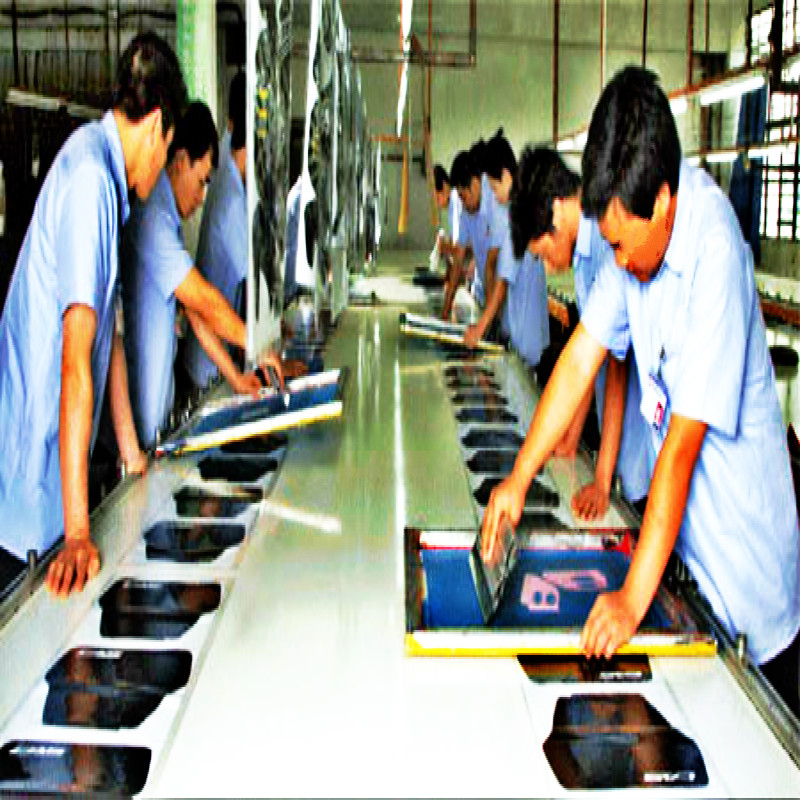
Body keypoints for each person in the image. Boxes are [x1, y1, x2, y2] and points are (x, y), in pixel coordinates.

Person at [482, 65, 800, 716]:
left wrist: (630, 599)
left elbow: (681, 448)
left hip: (748, 586)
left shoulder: (713, 251)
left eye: (624, 245)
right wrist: (519, 476)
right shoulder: (633, 250)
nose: (619, 262)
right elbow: (580, 358)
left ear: (663, 200)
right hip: (687, 571)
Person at [0, 32, 187, 597]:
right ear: (156, 126)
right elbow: (77, 360)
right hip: (27, 501)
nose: (162, 165)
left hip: (54, 488)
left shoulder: (105, 176)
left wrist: (132, 454)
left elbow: (111, 334)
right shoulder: (89, 181)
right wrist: (79, 532)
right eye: (167, 147)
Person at [121, 100, 281, 451]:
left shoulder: (167, 216)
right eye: (201, 181)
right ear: (180, 161)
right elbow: (202, 299)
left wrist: (236, 377)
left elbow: (195, 313)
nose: (201, 197)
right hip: (136, 429)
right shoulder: (153, 217)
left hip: (157, 418)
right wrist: (255, 342)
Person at [509, 146, 653, 519]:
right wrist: (571, 439)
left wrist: (602, 479)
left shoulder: (607, 244)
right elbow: (587, 358)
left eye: (543, 254)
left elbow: (616, 367)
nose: (547, 266)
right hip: (617, 442)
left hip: (640, 448)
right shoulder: (583, 252)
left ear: (556, 211)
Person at [181, 80, 251, 394]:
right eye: (200, 183)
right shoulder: (231, 198)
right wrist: (260, 347)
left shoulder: (222, 157)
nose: (200, 198)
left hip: (214, 355)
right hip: (208, 369)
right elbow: (206, 304)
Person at [464, 130, 549, 373]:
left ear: (506, 175)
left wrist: (481, 328)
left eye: (493, 188)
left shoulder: (518, 219)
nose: (494, 196)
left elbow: (501, 284)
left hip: (526, 346)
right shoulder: (522, 211)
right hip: (528, 337)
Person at [441, 148, 503, 323]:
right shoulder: (467, 213)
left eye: (463, 196)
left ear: (476, 183)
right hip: (488, 298)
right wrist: (446, 310)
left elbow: (496, 266)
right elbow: (458, 261)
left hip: (508, 300)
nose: (462, 203)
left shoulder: (496, 204)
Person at [431, 163, 461, 265]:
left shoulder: (456, 200)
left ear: (444, 185)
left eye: (437, 198)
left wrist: (444, 247)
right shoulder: (452, 204)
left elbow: (462, 245)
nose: (437, 204)